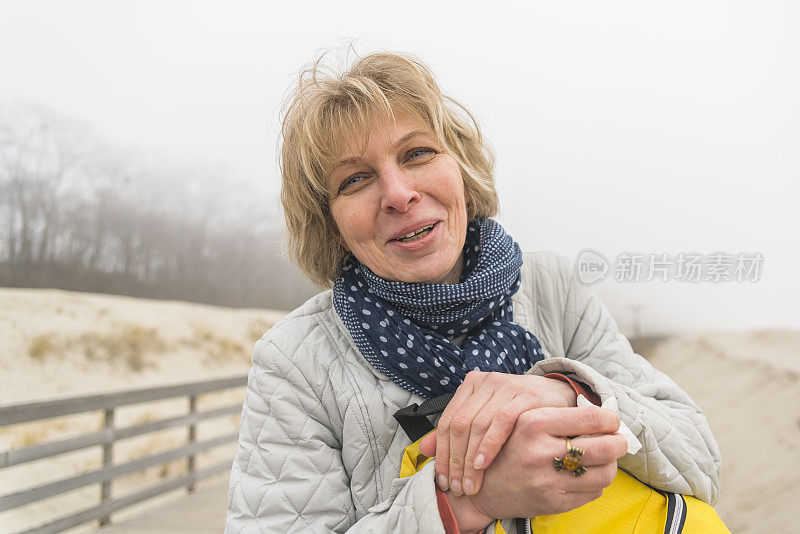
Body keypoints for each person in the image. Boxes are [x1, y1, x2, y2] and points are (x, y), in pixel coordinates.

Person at [224, 50, 721, 533]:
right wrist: (467, 500)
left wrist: (568, 396)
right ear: (329, 224)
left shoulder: (553, 289)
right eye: (355, 180)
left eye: (417, 153)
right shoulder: (294, 361)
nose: (398, 194)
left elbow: (698, 458)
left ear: (461, 166)